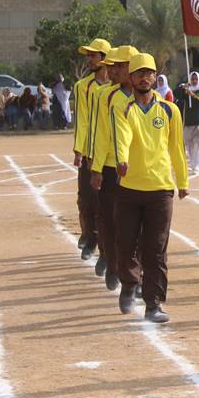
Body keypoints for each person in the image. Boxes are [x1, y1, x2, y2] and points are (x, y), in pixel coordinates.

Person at [111, 53, 189, 323]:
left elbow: (176, 148)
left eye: (149, 73)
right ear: (131, 78)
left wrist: (182, 181)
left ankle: (153, 304)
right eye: (139, 74)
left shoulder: (170, 110)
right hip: (129, 188)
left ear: (156, 77)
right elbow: (123, 136)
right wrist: (121, 159)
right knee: (126, 243)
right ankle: (130, 283)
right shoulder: (123, 109)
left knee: (156, 249)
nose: (145, 78)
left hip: (160, 189)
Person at [89, 45, 140, 292]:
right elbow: (100, 134)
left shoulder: (153, 97)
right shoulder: (106, 97)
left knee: (137, 225)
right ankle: (112, 264)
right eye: (111, 66)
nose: (113, 71)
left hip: (138, 170)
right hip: (111, 167)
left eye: (120, 66)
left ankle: (136, 272)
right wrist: (96, 168)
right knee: (110, 221)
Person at [72, 38, 111, 258]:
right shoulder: (83, 87)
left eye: (93, 55)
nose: (89, 59)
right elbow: (82, 120)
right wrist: (79, 150)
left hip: (112, 154)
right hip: (90, 151)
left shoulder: (117, 88)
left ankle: (106, 248)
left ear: (105, 59)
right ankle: (90, 236)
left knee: (108, 203)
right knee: (86, 198)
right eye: (88, 55)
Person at [175, 72, 199, 173]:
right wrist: (184, 87)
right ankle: (192, 163)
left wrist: (193, 95)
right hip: (188, 122)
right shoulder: (186, 91)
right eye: (192, 79)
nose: (194, 81)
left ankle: (197, 166)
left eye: (195, 79)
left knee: (197, 144)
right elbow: (176, 94)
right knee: (189, 145)